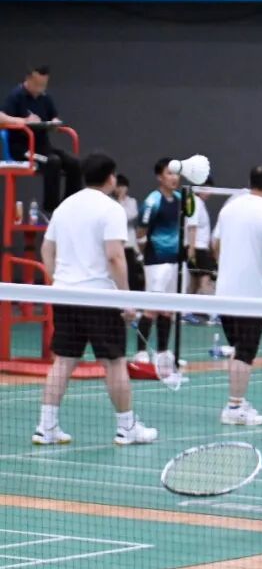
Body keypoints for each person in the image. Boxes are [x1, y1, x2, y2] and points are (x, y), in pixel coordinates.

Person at [34, 152, 157, 446]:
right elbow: (115, 257)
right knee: (114, 363)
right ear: (111, 177)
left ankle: (46, 427)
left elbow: (46, 250)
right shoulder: (111, 209)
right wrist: (126, 299)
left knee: (63, 361)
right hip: (100, 298)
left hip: (66, 296)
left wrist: (58, 280)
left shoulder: (65, 206)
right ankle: (127, 428)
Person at [214, 165, 262, 427]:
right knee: (245, 352)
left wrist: (227, 267)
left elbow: (216, 244)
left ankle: (237, 401)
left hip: (223, 294)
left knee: (239, 350)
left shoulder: (229, 208)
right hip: (250, 297)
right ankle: (234, 406)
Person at [2, 65, 81, 213]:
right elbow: (1, 118)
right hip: (23, 149)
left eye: (44, 85)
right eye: (37, 84)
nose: (41, 88)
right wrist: (24, 121)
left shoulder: (45, 98)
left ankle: (70, 206)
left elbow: (54, 117)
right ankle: (52, 208)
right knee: (53, 162)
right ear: (28, 79)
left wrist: (55, 123)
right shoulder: (16, 96)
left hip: (43, 147)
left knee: (74, 163)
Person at [134, 158, 188, 364]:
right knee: (151, 308)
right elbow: (141, 231)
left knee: (168, 308)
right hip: (156, 261)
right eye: (169, 173)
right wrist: (144, 254)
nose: (174, 178)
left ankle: (163, 351)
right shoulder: (152, 201)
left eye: (176, 174)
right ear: (159, 177)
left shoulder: (180, 199)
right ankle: (141, 351)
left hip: (175, 261)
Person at [184, 177, 217, 309]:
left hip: (201, 249)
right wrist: (191, 251)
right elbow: (192, 226)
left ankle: (186, 311)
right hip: (197, 249)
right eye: (205, 188)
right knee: (205, 281)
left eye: (210, 189)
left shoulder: (199, 203)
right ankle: (210, 312)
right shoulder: (194, 202)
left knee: (195, 283)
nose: (208, 192)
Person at [113, 174, 144, 298]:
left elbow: (129, 216)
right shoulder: (110, 201)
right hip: (115, 245)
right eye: (118, 186)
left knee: (131, 274)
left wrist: (121, 200)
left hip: (129, 245)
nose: (120, 189)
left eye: (122, 186)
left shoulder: (132, 202)